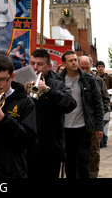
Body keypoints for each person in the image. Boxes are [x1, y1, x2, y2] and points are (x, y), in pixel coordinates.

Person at [26, 49, 77, 178]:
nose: (35, 67)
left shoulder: (57, 84)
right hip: (27, 147)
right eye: (32, 63)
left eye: (40, 64)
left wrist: (48, 90)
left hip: (50, 148)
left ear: (49, 66)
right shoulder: (21, 83)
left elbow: (70, 104)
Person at [56, 50, 104, 178]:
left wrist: (99, 127)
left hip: (83, 127)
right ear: (64, 63)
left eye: (75, 60)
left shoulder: (88, 79)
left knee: (83, 159)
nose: (74, 62)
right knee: (69, 161)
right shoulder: (58, 80)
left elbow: (97, 103)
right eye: (70, 60)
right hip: (65, 128)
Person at [78, 55, 110, 177]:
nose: (85, 71)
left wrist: (100, 113)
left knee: (93, 153)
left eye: (87, 68)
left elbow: (106, 100)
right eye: (82, 68)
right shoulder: (73, 80)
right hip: (77, 123)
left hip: (93, 123)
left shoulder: (98, 81)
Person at [95, 60, 112, 148]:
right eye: (99, 67)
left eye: (102, 67)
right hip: (98, 103)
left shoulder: (108, 77)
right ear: (97, 68)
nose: (101, 68)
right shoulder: (94, 78)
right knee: (99, 122)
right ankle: (100, 141)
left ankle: (104, 140)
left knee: (105, 122)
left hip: (107, 101)